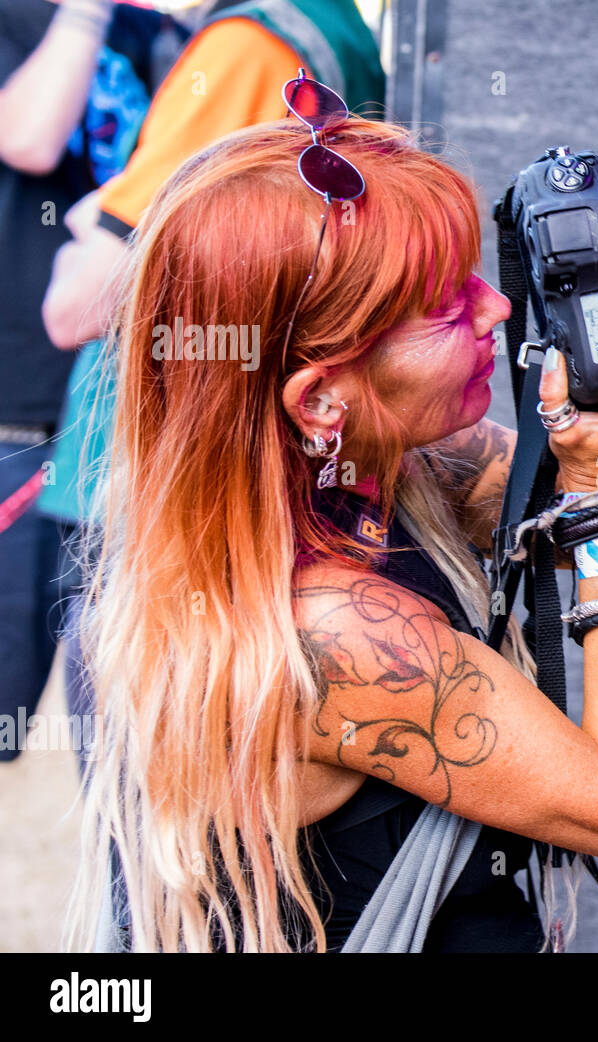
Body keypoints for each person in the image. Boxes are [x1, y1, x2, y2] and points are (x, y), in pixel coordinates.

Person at [67, 78, 598, 952]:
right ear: (320, 400)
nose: (496, 308)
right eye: (443, 306)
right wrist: (590, 498)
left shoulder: (404, 475)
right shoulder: (328, 633)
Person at [39, 0, 384, 771]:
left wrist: (90, 223)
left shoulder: (249, 45)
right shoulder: (334, 34)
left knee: (143, 821)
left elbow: (79, 304)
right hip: (239, 475)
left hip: (159, 489)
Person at [0, 0, 158, 762]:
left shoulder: (161, 35)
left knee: (113, 731)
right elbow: (27, 137)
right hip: (13, 417)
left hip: (107, 428)